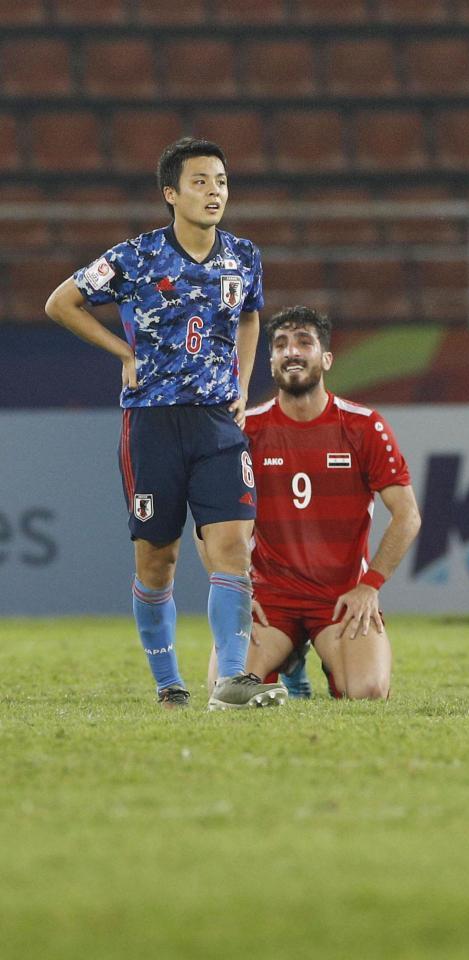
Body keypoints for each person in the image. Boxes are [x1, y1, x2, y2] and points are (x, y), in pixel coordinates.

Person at [45, 137, 285, 711]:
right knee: (159, 559)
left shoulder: (243, 257)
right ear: (171, 194)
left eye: (222, 181)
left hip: (218, 425)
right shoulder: (134, 257)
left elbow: (251, 316)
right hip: (151, 423)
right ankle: (168, 681)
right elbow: (61, 302)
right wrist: (124, 354)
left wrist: (244, 381)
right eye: (200, 181)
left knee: (233, 547)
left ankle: (231, 680)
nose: (214, 192)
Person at [202, 305, 421, 700]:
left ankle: (304, 655)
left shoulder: (363, 426)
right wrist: (234, 591)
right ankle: (288, 656)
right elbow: (208, 523)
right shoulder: (245, 431)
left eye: (305, 342)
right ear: (269, 361)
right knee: (224, 690)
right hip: (269, 599)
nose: (292, 352)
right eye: (281, 344)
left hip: (339, 599)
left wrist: (370, 586)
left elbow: (407, 517)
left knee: (368, 692)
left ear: (326, 358)